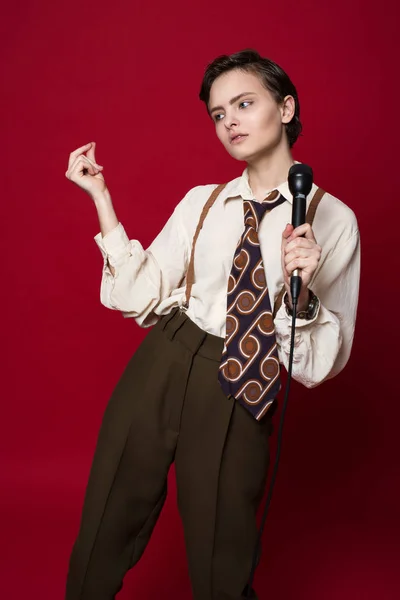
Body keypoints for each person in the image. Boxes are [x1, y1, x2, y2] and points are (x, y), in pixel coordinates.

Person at [64, 49, 360, 600]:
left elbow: (322, 361)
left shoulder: (334, 219)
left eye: (244, 104)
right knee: (108, 515)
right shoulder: (204, 202)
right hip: (166, 358)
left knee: (222, 551)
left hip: (244, 376)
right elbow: (143, 292)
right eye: (219, 114)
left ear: (286, 107)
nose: (229, 122)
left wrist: (304, 295)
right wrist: (101, 198)